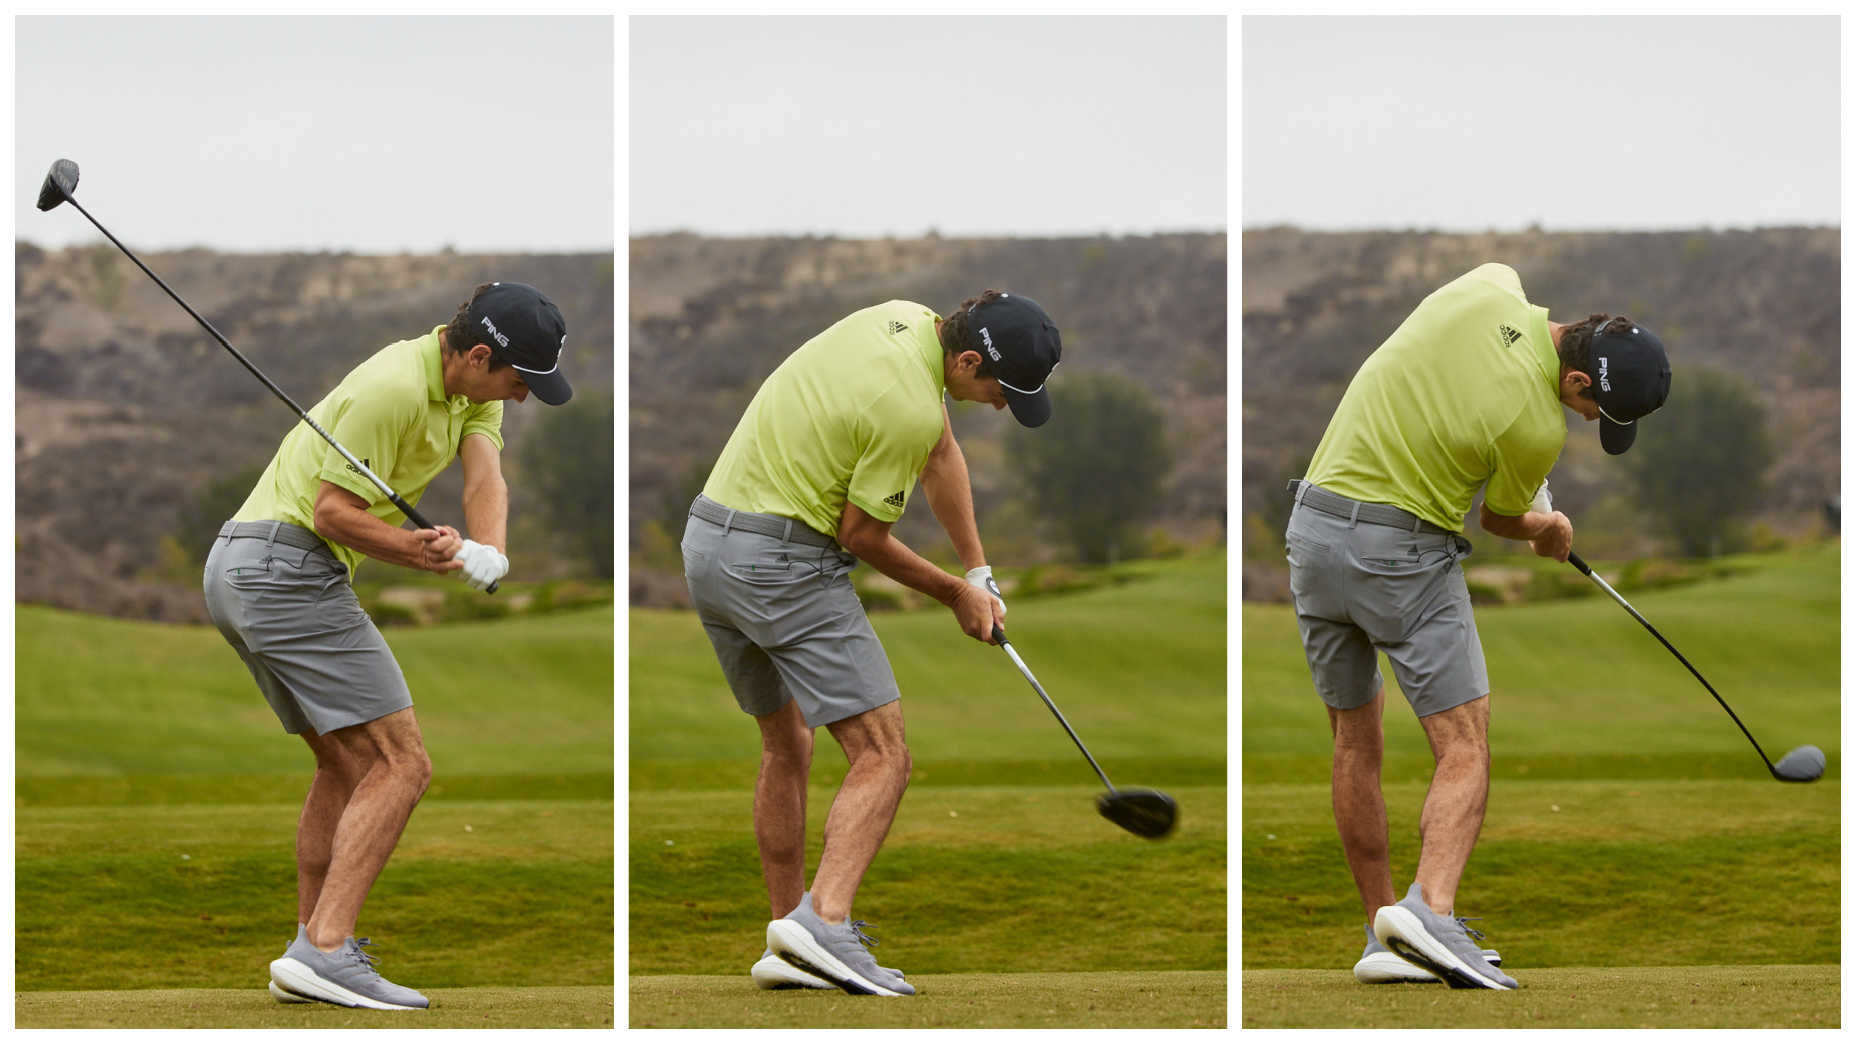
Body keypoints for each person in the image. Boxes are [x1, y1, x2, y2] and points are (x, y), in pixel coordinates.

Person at [1284, 262, 1669, 990]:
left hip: (1312, 532)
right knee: (1464, 741)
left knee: (1353, 741)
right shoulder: (1535, 429)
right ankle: (1431, 912)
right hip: (1398, 556)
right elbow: (1498, 517)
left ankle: (1381, 934)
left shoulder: (1490, 284)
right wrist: (1549, 530)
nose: (1591, 425)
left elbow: (1488, 363)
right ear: (1581, 383)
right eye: (1597, 413)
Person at [203, 281, 573, 1010]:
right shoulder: (392, 391)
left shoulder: (474, 391)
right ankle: (328, 949)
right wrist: (418, 552)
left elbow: (485, 474)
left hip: (241, 570)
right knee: (404, 763)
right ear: (475, 354)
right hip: (285, 566)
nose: (523, 397)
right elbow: (331, 512)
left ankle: (309, 944)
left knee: (346, 765)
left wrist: (490, 548)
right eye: (519, 381)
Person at [682, 290, 1062, 996]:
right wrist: (954, 594)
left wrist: (979, 569)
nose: (1003, 406)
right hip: (783, 564)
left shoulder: (904, 320)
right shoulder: (907, 407)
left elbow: (942, 451)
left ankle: (787, 941)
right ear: (970, 359)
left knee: (785, 742)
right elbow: (862, 536)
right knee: (883, 753)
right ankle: (824, 923)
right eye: (999, 390)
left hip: (709, 547)